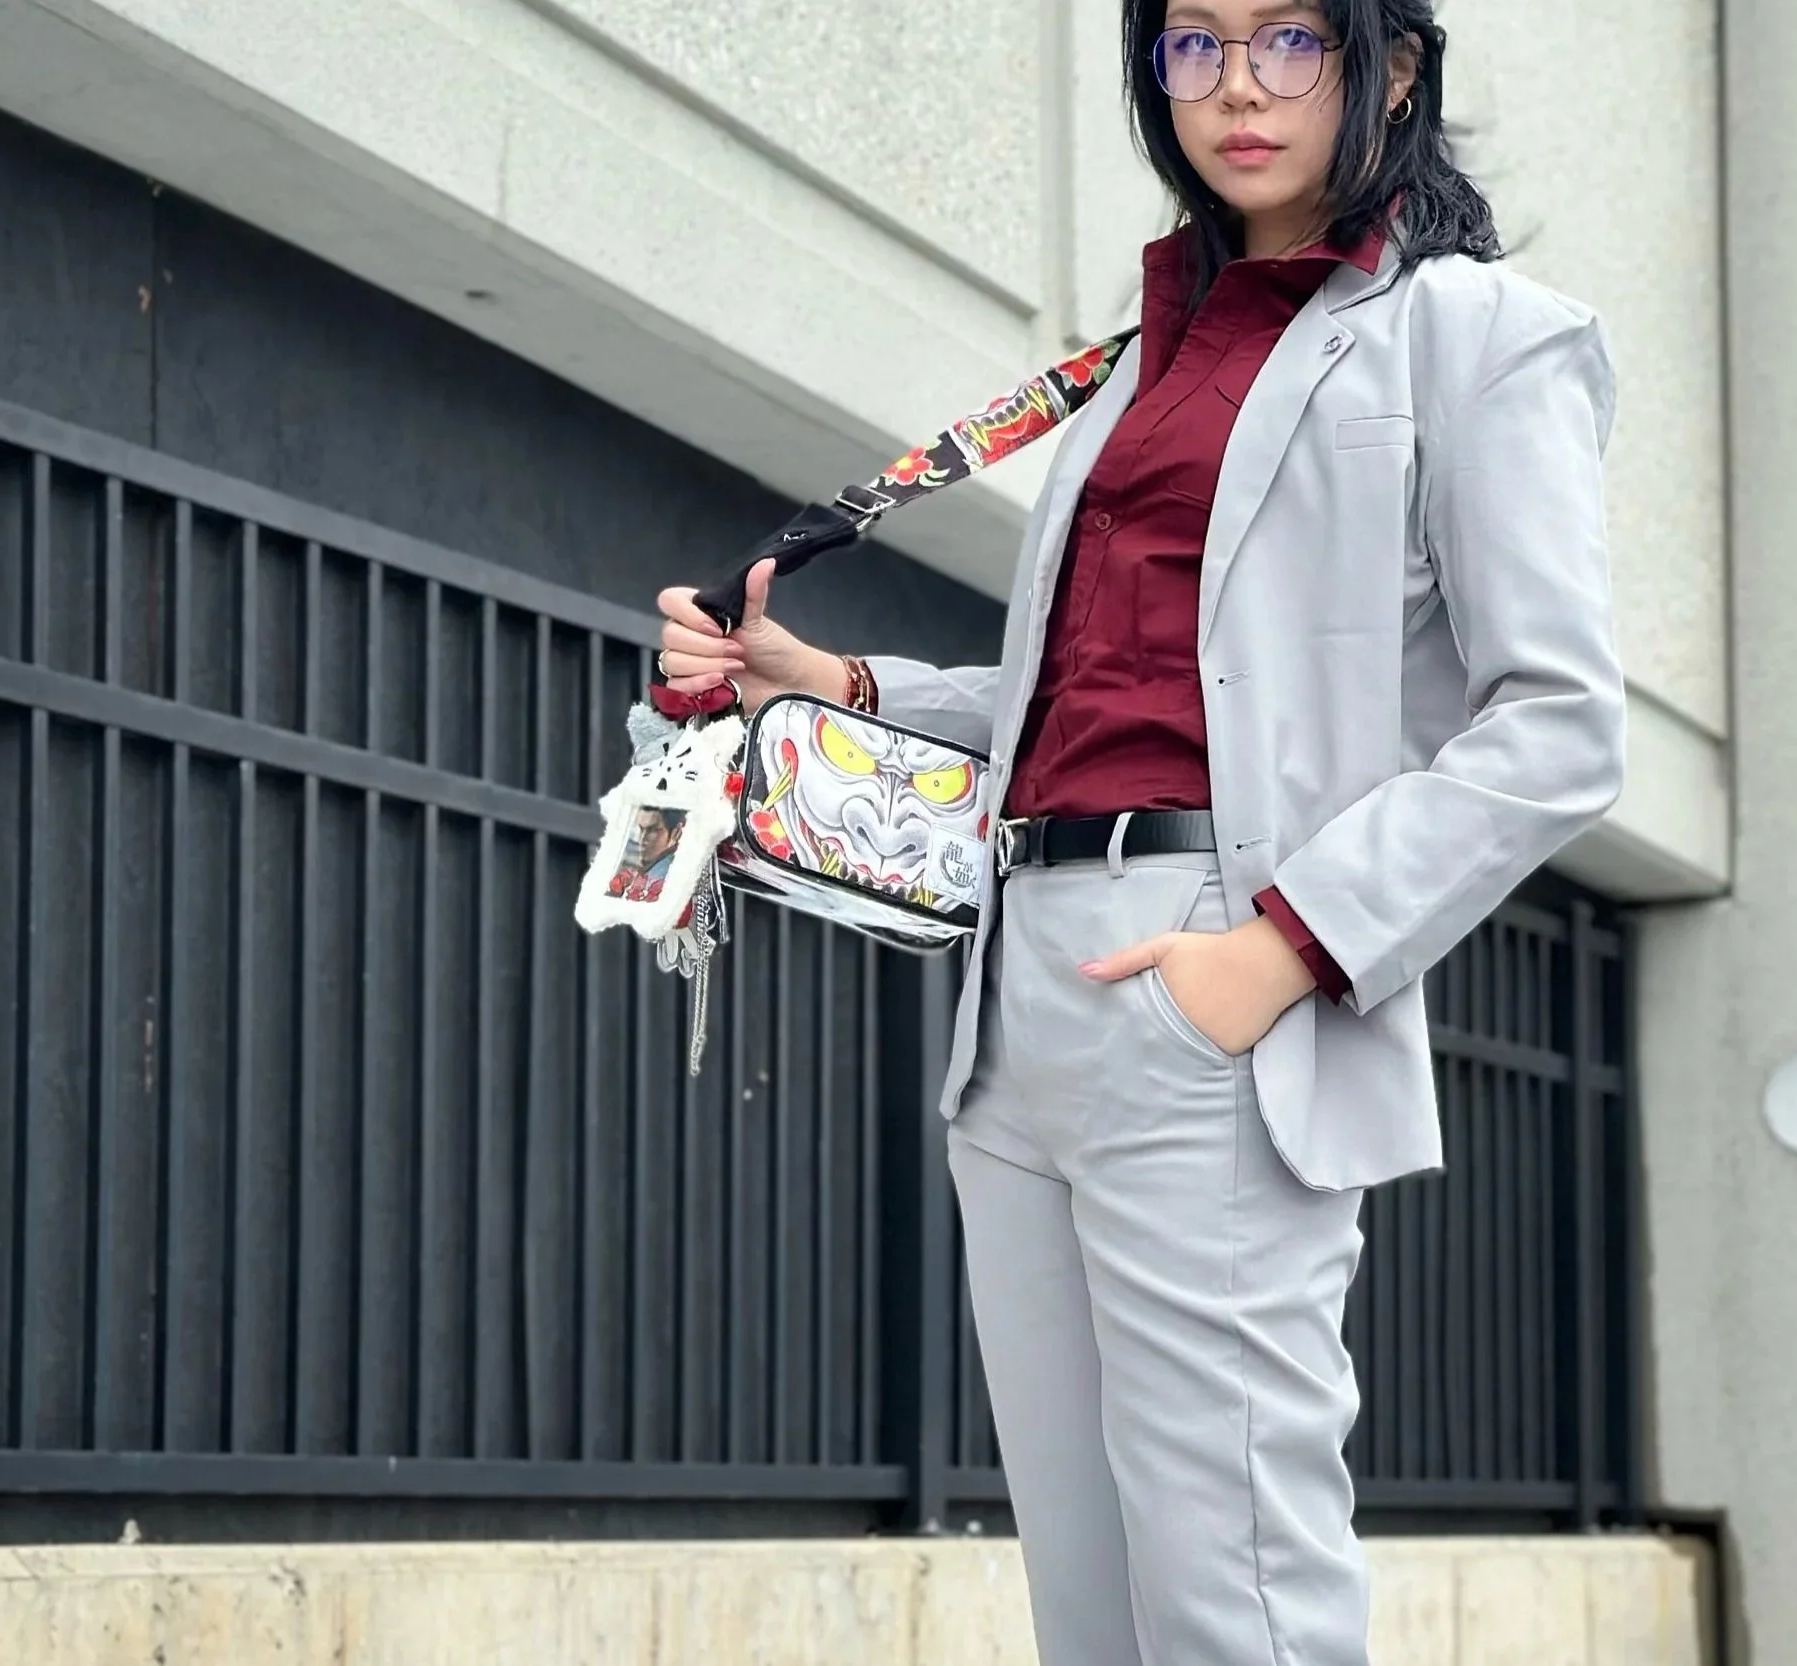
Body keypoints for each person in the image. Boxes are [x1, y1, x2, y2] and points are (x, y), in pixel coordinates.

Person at [656, 2, 1626, 1660]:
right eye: (1193, 45)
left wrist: (1278, 953)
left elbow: (1558, 725)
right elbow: (1082, 699)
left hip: (1216, 975)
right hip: (1017, 1006)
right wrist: (827, 684)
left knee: (1237, 1594)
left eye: (1291, 38)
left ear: (1391, 67)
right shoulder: (1132, 363)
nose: (1237, 84)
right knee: (1090, 1606)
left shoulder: (1472, 335)